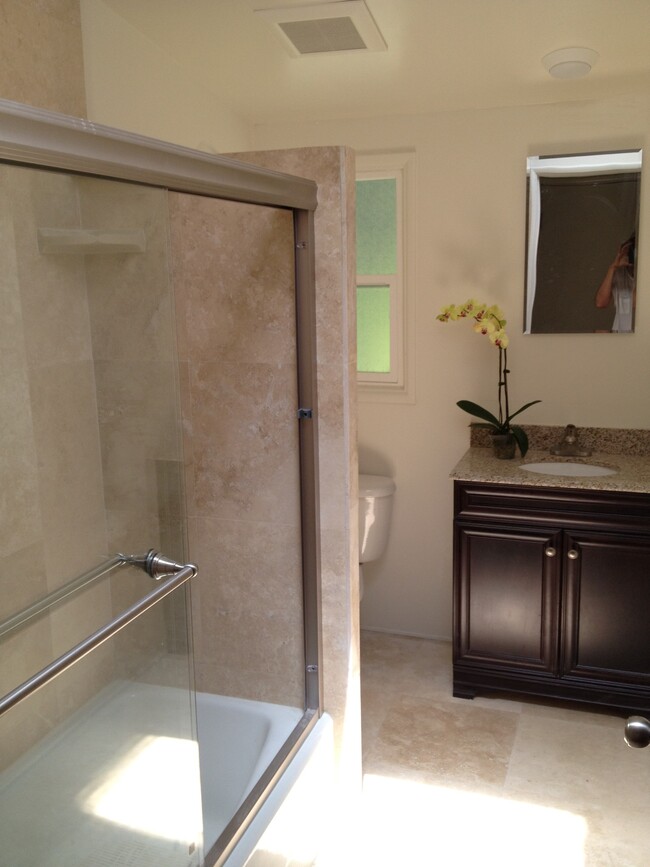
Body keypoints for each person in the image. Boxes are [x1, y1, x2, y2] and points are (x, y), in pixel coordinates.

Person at [595, 234, 636, 332]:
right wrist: (613, 267)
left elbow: (636, 304)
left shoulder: (645, 278)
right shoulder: (619, 273)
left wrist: (639, 269)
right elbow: (600, 302)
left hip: (638, 337)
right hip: (619, 333)